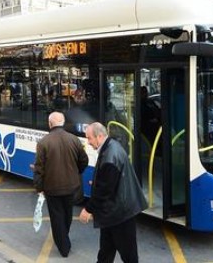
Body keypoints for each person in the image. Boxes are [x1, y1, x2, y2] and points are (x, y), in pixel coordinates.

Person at [79, 122, 148, 263]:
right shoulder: (110, 147)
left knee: (128, 255)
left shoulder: (110, 154)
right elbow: (109, 180)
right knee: (106, 252)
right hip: (113, 213)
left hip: (119, 214)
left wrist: (88, 209)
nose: (88, 142)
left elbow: (105, 190)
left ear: (99, 136)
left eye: (89, 138)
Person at [32, 112, 88, 258]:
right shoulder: (74, 139)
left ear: (50, 124)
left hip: (52, 188)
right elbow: (84, 161)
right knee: (67, 214)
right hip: (71, 186)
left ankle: (64, 247)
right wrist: (76, 172)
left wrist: (39, 188)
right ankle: (65, 239)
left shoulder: (43, 142)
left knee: (57, 218)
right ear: (63, 123)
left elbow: (39, 169)